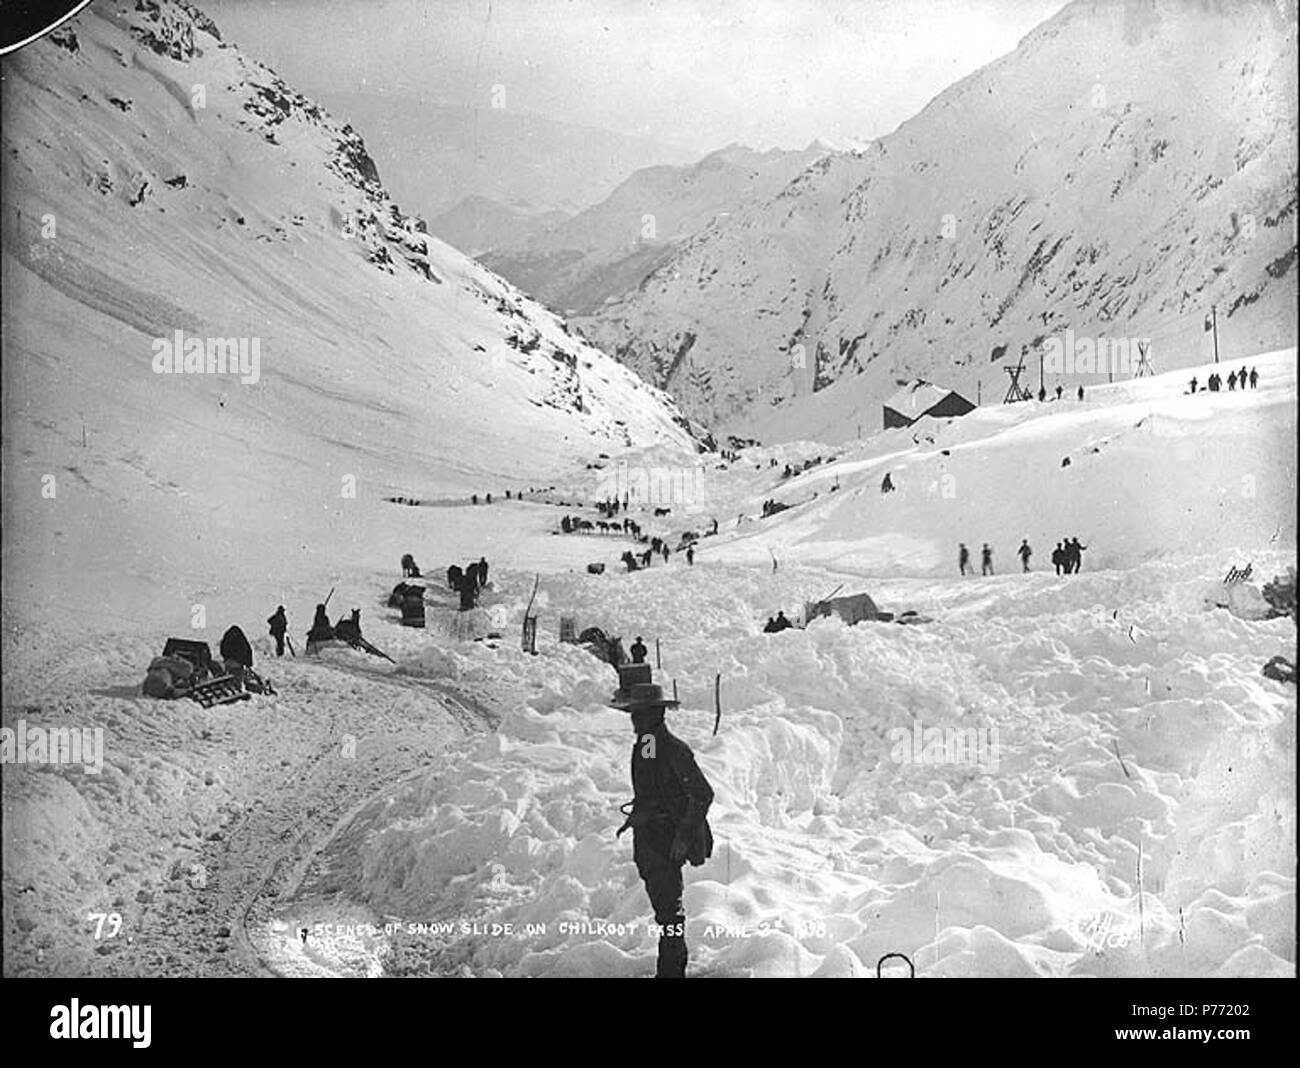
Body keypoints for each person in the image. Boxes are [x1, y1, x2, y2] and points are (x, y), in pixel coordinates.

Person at [613, 682, 714, 978]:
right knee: (666, 910)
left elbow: (702, 794)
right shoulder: (647, 743)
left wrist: (683, 836)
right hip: (650, 837)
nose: (633, 719)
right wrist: (637, 816)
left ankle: (671, 972)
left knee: (670, 912)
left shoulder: (671, 748)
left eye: (639, 713)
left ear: (656, 714)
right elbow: (650, 789)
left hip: (666, 840)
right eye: (632, 712)